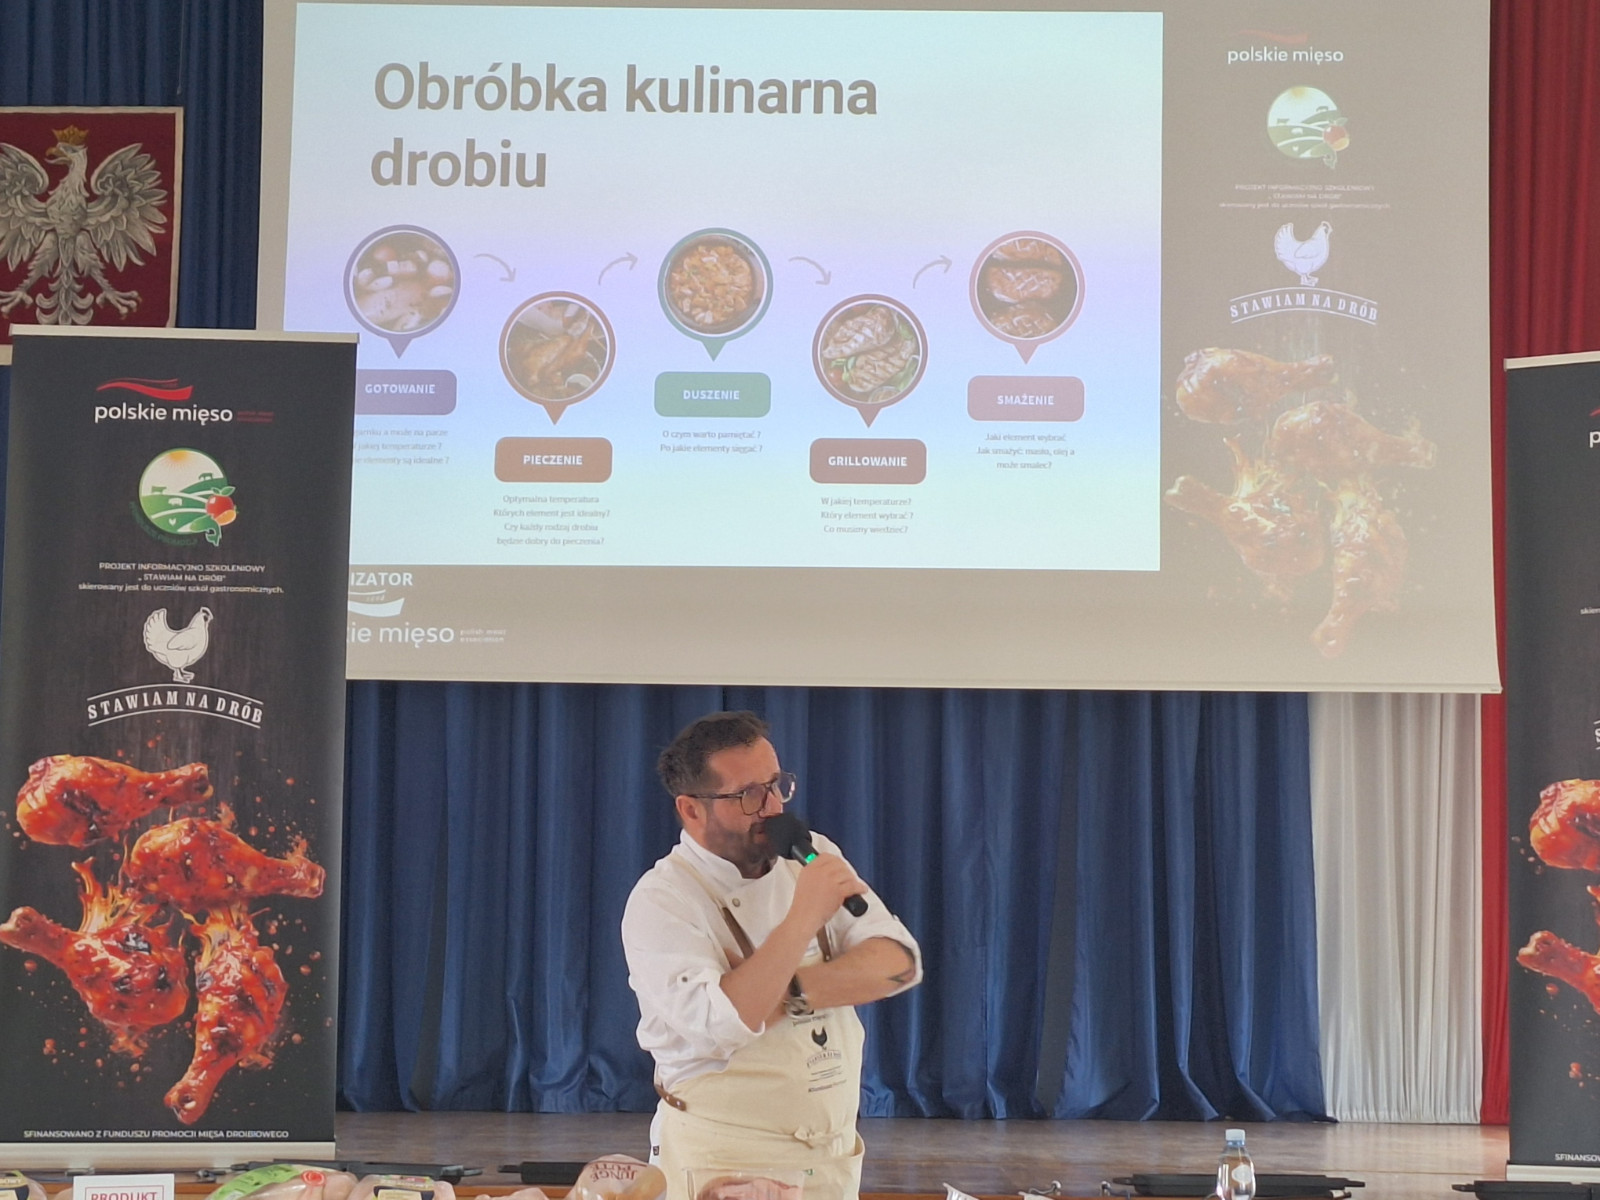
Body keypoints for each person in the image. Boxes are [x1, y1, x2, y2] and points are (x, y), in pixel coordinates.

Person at [622, 711, 922, 1200]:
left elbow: (899, 963)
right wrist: (803, 919)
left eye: (776, 785)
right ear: (691, 810)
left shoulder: (812, 852)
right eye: (748, 795)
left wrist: (790, 991)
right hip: (724, 1161)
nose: (773, 807)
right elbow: (725, 1021)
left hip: (830, 1157)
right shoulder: (663, 900)